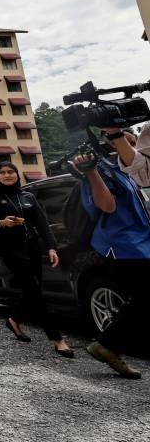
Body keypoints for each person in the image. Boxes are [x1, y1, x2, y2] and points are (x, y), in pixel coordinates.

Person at [73, 133, 150, 379]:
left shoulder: (131, 168)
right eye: (123, 135)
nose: (132, 138)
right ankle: (107, 344)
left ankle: (109, 344)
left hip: (142, 241)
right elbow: (107, 206)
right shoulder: (102, 168)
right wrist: (91, 172)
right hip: (122, 244)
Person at [0, 161, 73, 358]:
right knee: (34, 291)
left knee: (33, 289)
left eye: (10, 172)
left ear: (17, 174)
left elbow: (42, 224)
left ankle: (13, 319)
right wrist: (1, 222)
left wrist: (51, 247)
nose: (7, 175)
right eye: (3, 172)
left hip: (32, 248)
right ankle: (57, 339)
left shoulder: (28, 196)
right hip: (10, 250)